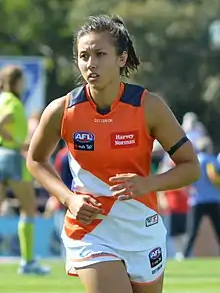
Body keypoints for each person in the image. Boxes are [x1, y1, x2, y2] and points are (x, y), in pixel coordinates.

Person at [27, 15, 200, 293]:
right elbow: (35, 160)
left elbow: (191, 167)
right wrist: (68, 198)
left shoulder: (149, 107)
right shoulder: (62, 110)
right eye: (83, 55)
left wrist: (148, 184)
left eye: (100, 54)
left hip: (142, 227)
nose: (90, 63)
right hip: (90, 230)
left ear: (122, 58)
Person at [0, 65, 50, 275]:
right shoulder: (13, 102)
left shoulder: (1, 99)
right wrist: (17, 142)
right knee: (28, 208)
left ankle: (28, 262)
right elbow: (2, 124)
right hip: (11, 156)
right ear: (18, 82)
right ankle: (28, 262)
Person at [184, 136, 220, 258]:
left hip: (197, 200)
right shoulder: (212, 160)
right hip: (213, 200)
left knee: (192, 231)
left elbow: (188, 182)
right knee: (218, 229)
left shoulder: (195, 161)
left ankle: (184, 255)